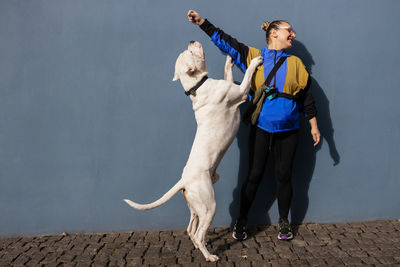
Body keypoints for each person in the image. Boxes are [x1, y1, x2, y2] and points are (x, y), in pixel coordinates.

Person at [187, 10, 320, 241]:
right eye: (290, 31)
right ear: (274, 33)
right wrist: (202, 23)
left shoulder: (297, 64)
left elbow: (307, 97)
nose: (293, 35)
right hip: (261, 128)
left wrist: (314, 125)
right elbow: (225, 41)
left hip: (289, 130)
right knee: (254, 176)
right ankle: (241, 221)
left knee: (284, 176)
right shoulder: (253, 56)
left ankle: (284, 223)